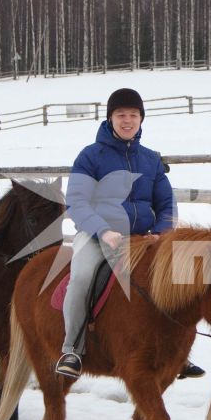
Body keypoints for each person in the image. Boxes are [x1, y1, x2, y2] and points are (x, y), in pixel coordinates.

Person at [54, 87, 176, 378]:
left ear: (141, 119)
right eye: (121, 115)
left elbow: (167, 204)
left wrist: (160, 233)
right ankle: (72, 349)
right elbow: (77, 203)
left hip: (142, 238)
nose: (127, 120)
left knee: (173, 281)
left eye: (133, 115)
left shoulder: (151, 160)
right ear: (110, 118)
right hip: (96, 234)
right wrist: (102, 230)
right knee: (82, 276)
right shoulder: (90, 156)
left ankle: (174, 352)